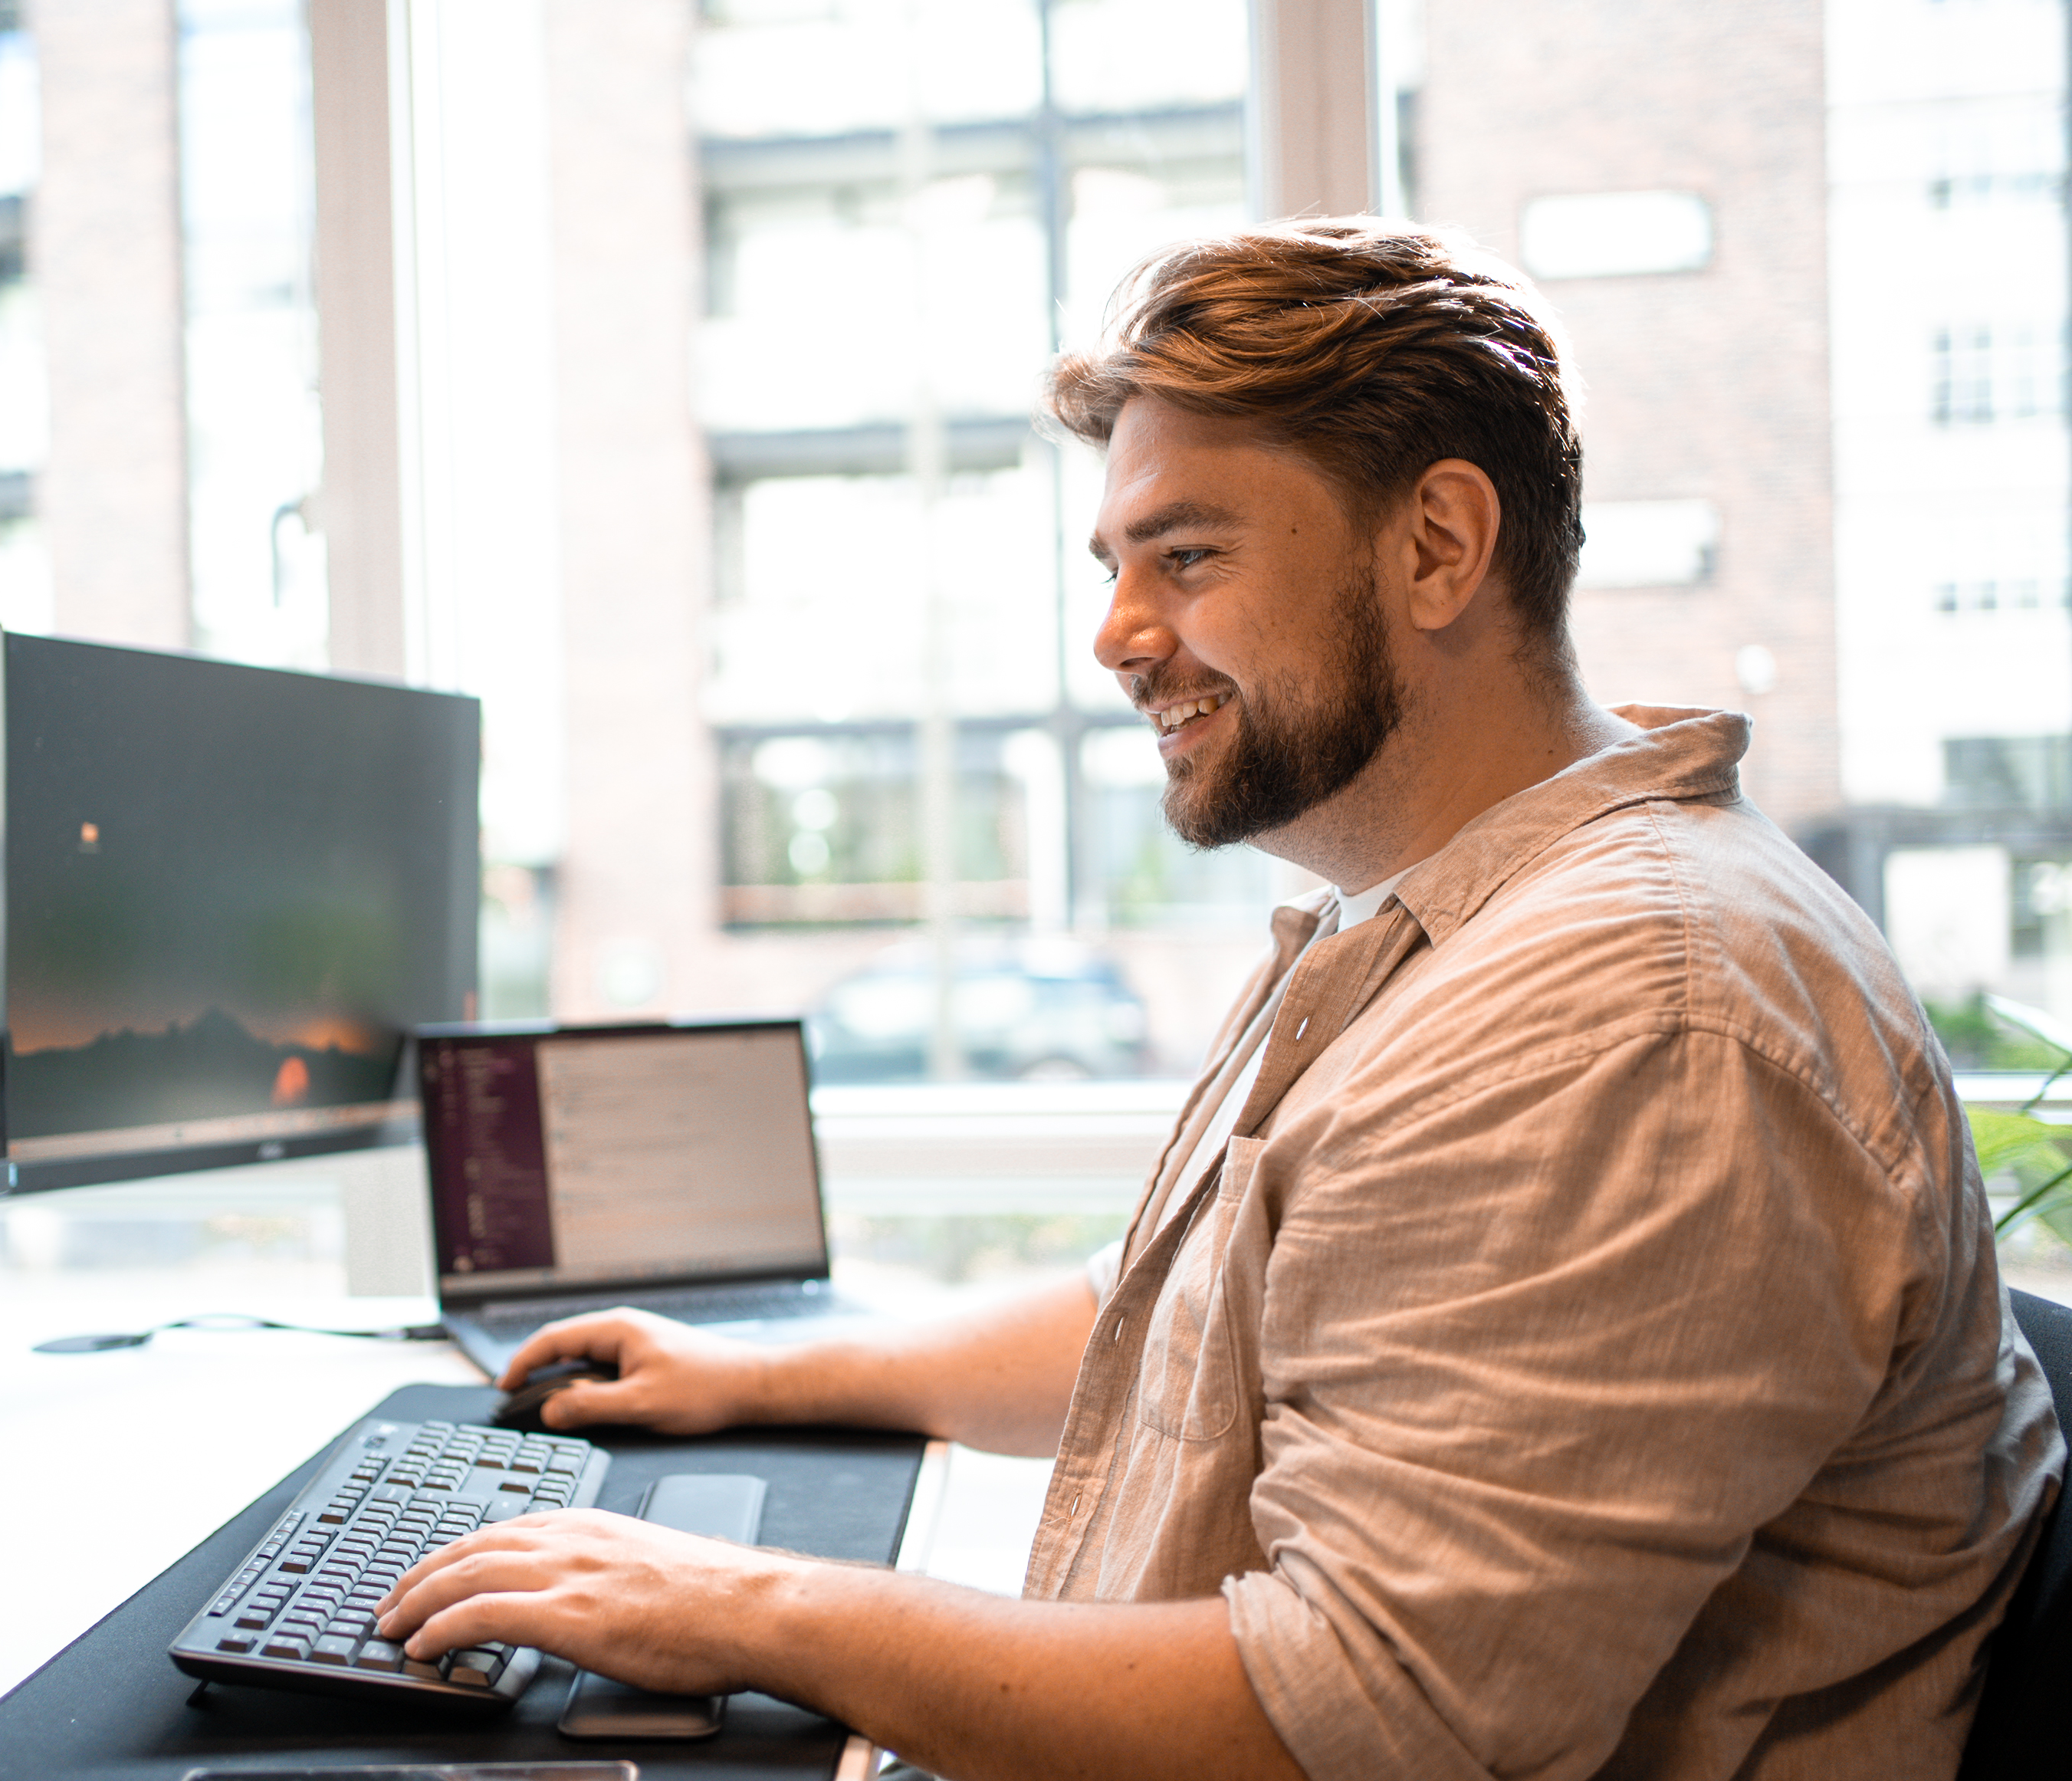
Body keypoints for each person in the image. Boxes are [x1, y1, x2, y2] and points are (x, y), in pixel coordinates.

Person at [373, 219, 2067, 1781]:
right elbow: (1183, 1319)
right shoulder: (1444, 910)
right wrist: (771, 1376)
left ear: (1440, 544)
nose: (1116, 635)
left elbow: (1370, 1715)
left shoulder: (1632, 1014)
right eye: (1114, 562)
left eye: (1182, 555)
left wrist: (743, 1606)